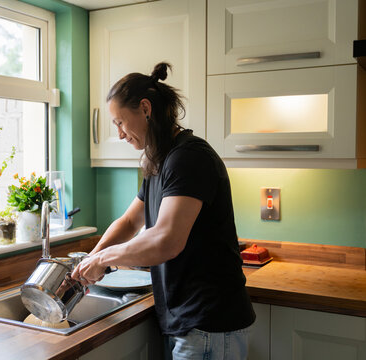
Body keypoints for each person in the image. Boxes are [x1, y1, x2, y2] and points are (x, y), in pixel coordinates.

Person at [71, 62, 256, 359]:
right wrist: (92, 259)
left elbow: (166, 239)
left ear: (145, 108)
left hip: (209, 322)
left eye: (120, 122)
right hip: (190, 321)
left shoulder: (189, 157)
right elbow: (131, 221)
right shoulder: (160, 160)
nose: (119, 134)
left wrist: (104, 258)